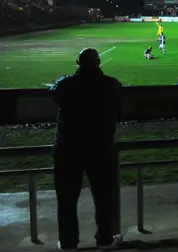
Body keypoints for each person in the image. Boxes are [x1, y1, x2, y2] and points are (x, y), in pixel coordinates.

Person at [50, 48, 124, 250]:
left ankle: (68, 242)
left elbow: (54, 95)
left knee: (66, 198)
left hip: (68, 149)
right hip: (100, 148)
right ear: (99, 62)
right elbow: (120, 109)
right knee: (103, 197)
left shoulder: (66, 84)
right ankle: (105, 239)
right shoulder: (111, 85)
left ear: (77, 62)